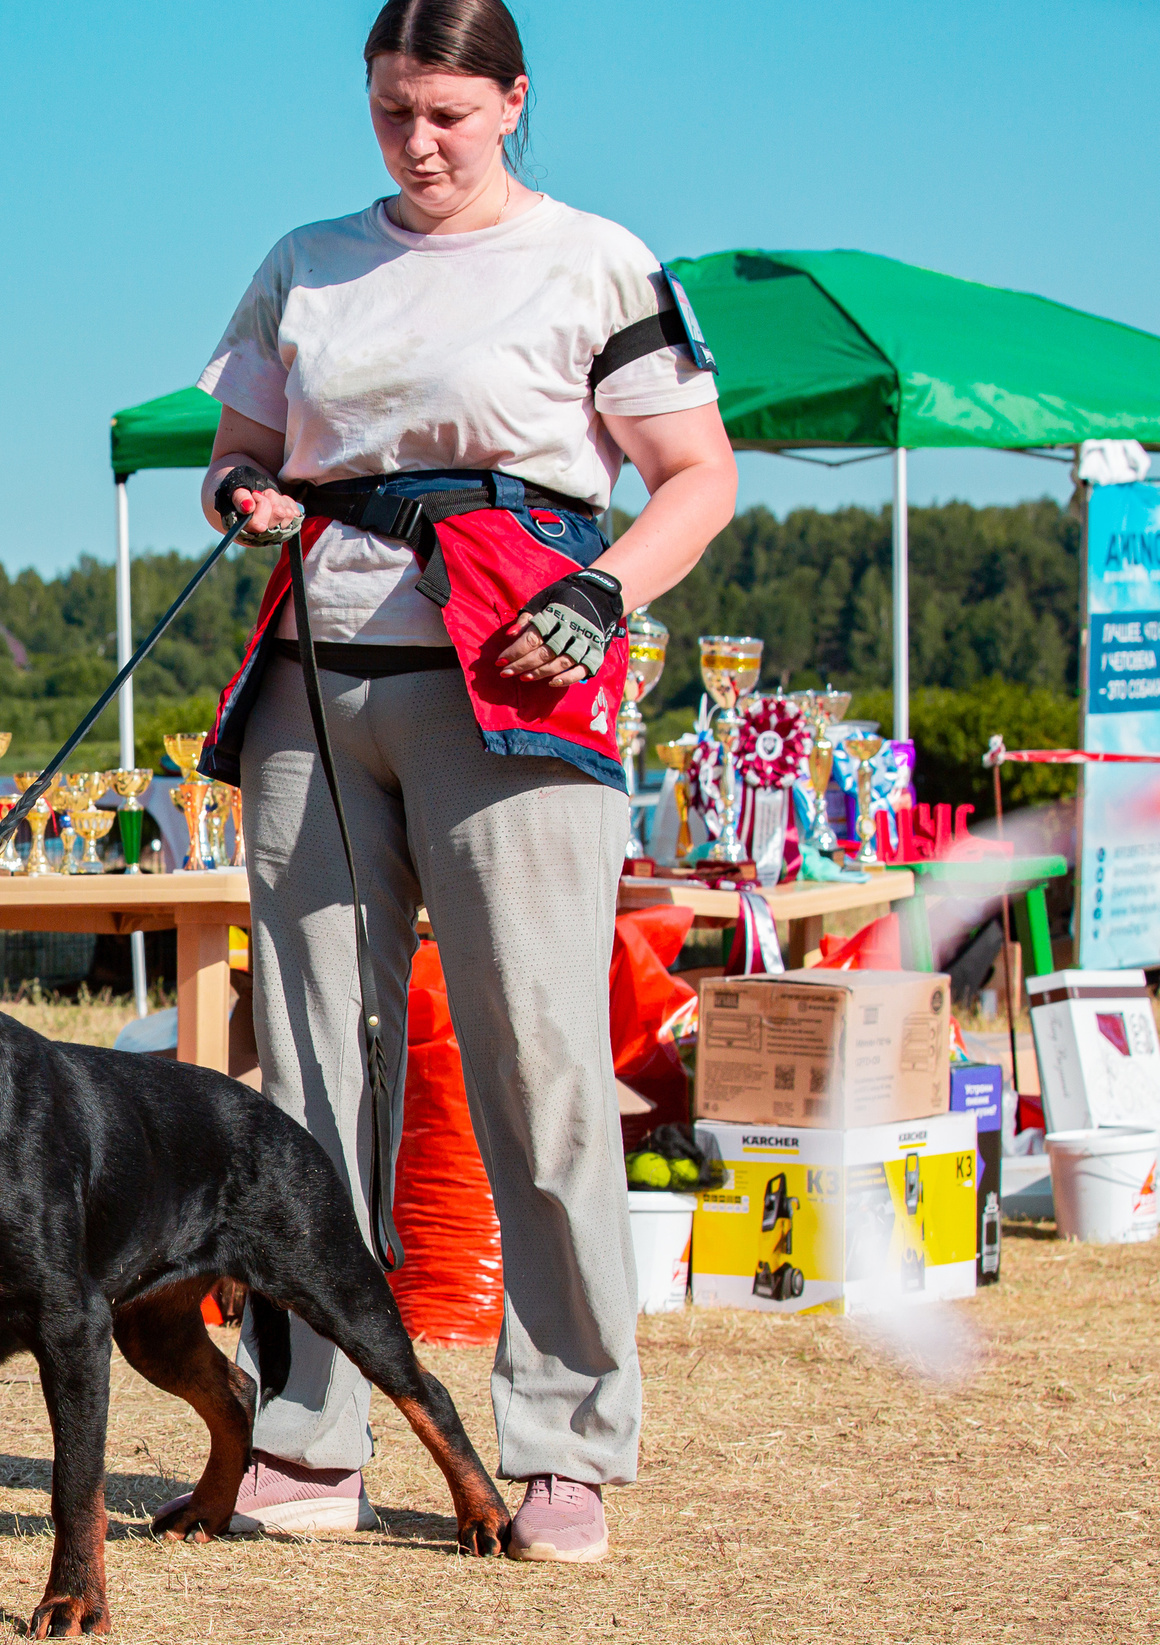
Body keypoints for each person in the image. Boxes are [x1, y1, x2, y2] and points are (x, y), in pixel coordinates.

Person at [160, 0, 736, 1563]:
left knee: (539, 1063)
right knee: (309, 1078)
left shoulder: (597, 260)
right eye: (391, 114)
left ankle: (564, 1441)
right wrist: (245, 493)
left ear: (512, 102)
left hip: (518, 691)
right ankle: (309, 1432)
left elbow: (699, 479)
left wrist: (602, 593)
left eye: (447, 115)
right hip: (316, 689)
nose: (416, 144)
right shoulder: (305, 259)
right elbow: (240, 446)